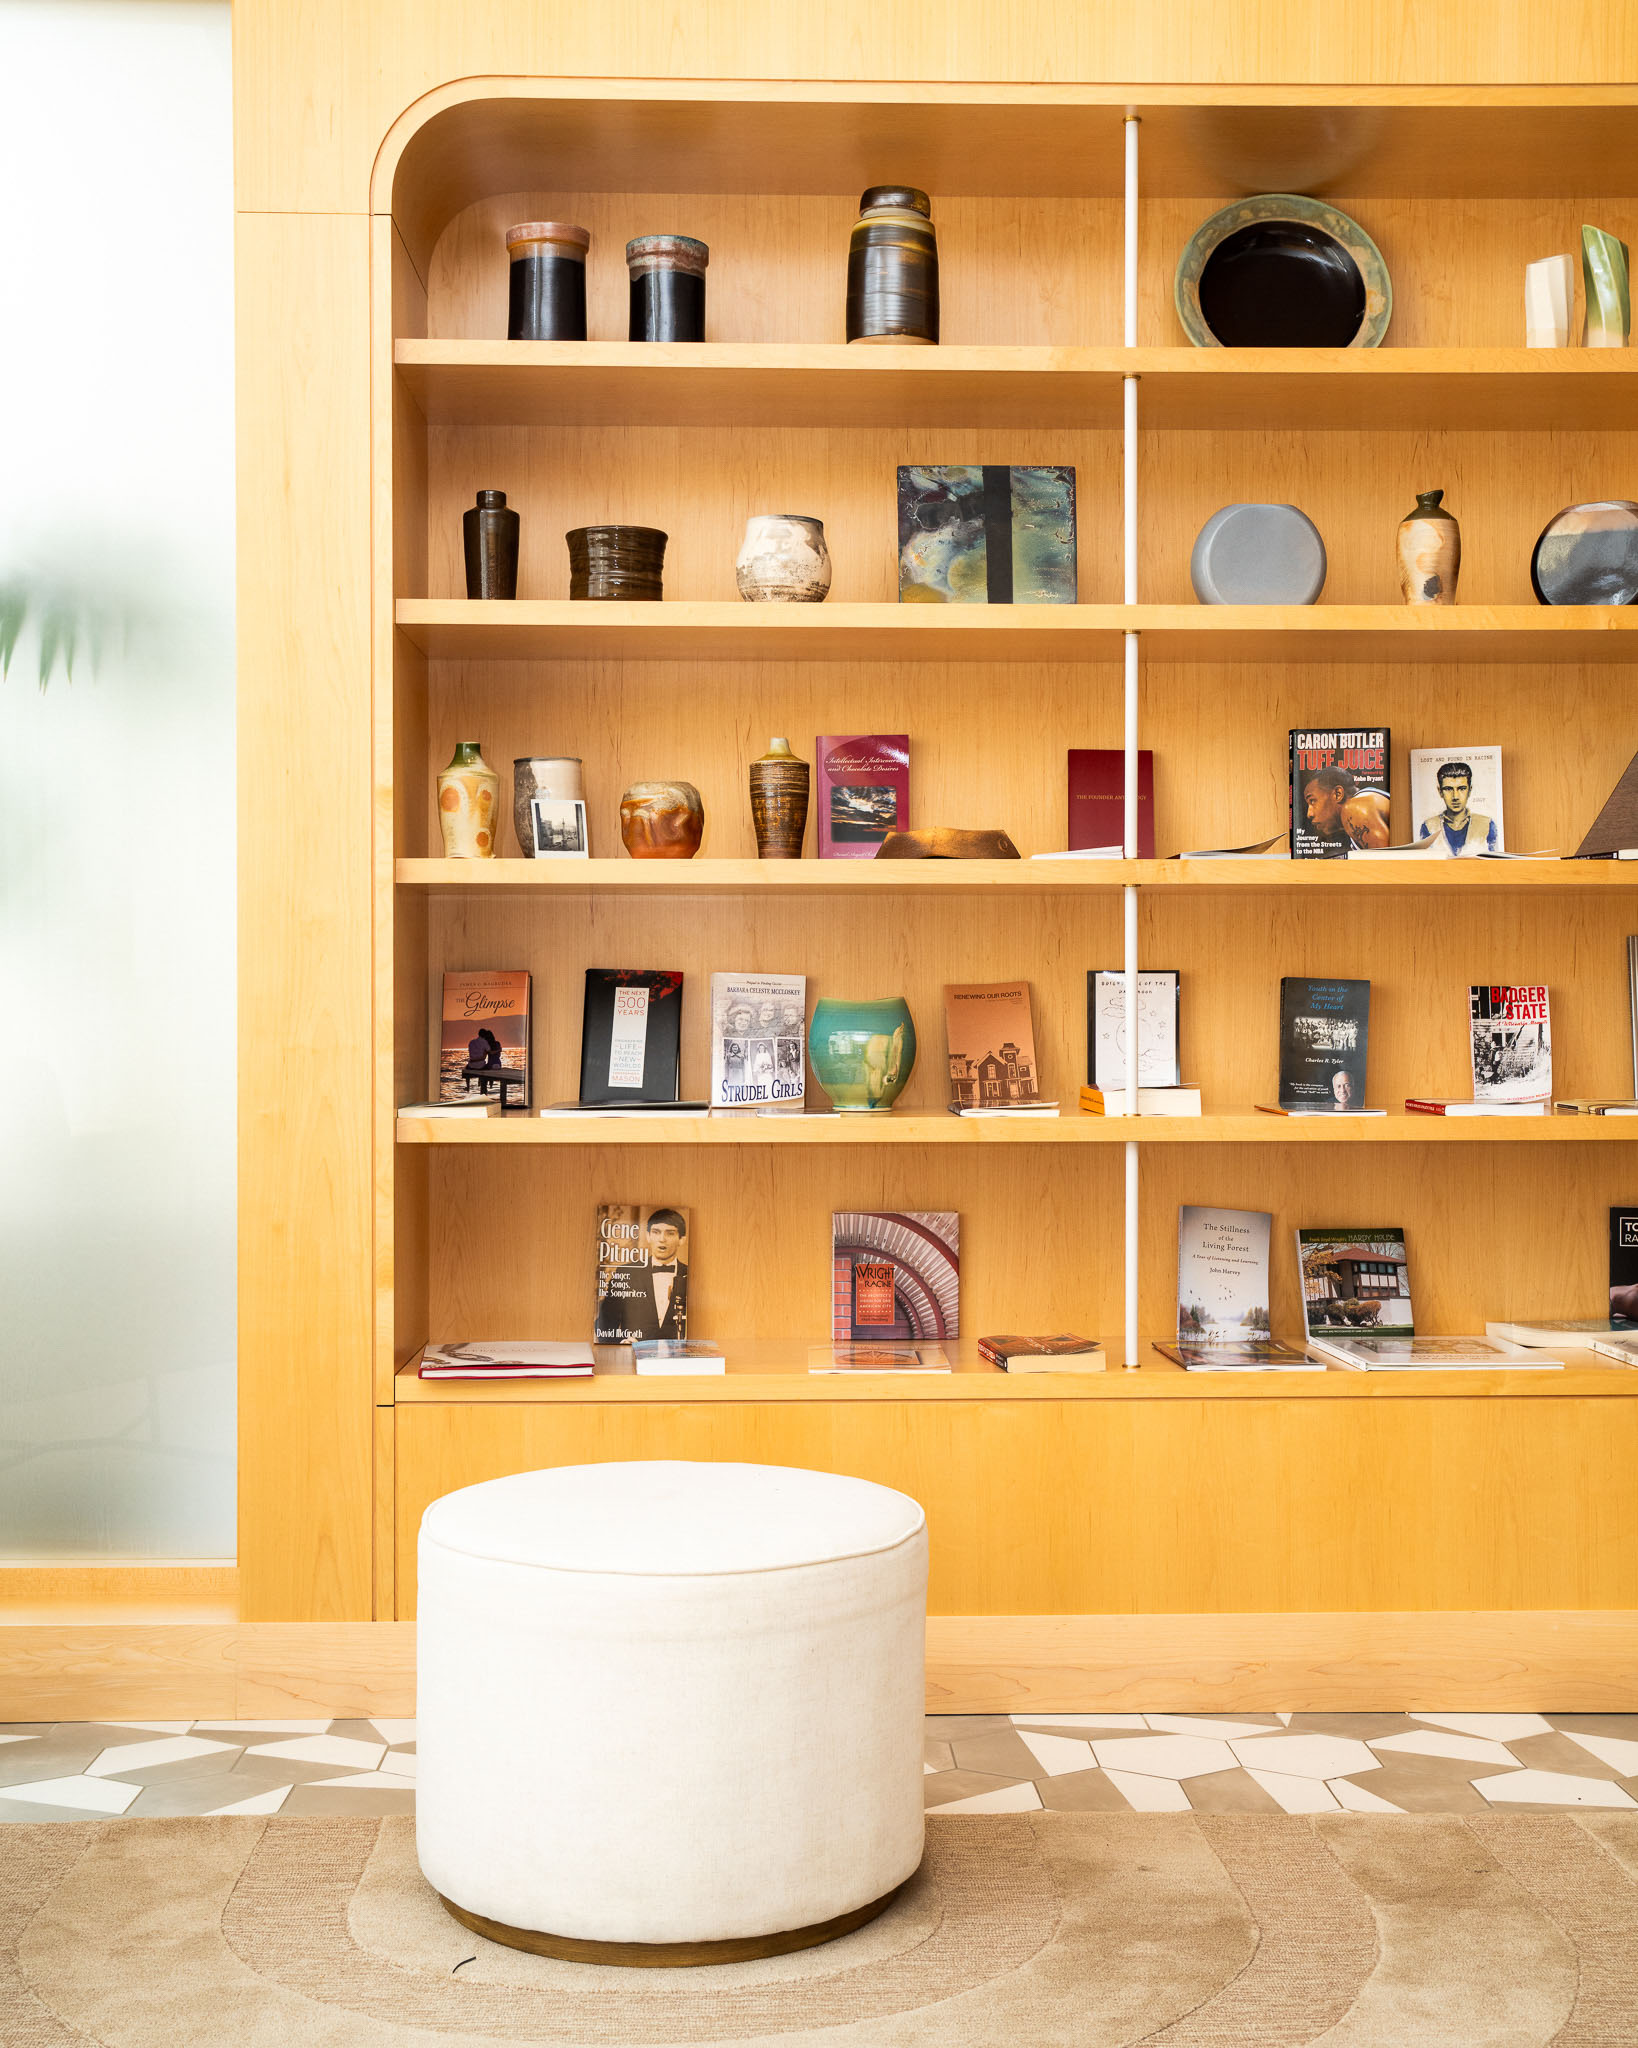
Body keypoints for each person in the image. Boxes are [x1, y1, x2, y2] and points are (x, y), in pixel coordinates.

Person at [607, 1208, 689, 1341]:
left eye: (670, 1233)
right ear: (648, 1236)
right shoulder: (626, 1272)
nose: (662, 1239)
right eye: (656, 1232)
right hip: (632, 1358)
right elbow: (605, 1323)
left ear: (681, 1239)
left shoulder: (691, 1275)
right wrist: (620, 1344)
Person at [1417, 761, 1498, 858]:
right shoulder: (1428, 827)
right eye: (1448, 789)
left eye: (1462, 788)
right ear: (1440, 792)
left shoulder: (1487, 825)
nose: (1455, 796)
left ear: (1470, 790)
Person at [1302, 764, 1391, 850]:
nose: (1309, 814)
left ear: (1337, 794)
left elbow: (1386, 863)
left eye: (1312, 801)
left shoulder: (1354, 809)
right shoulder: (1362, 804)